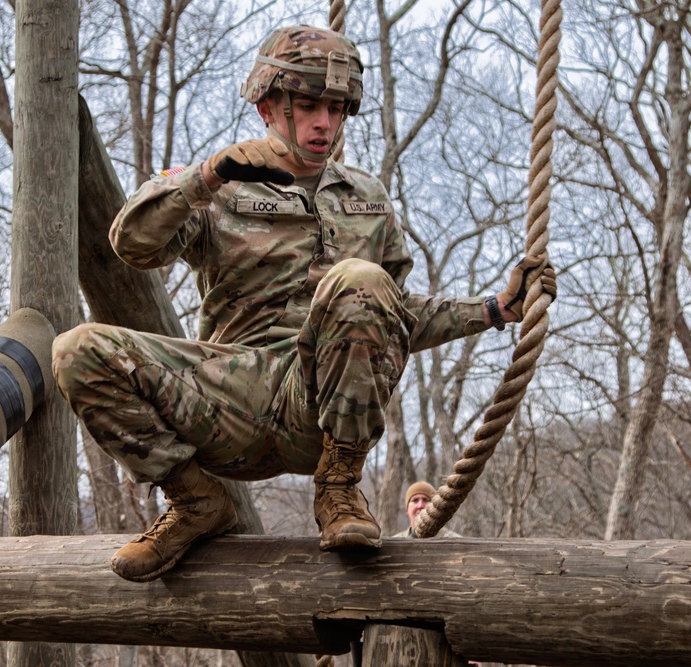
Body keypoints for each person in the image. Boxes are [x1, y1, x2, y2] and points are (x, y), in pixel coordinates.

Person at [52, 25, 557, 583]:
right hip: (231, 398)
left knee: (359, 279)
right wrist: (203, 178)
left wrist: (491, 310)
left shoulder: (367, 198)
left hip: (316, 409)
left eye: (337, 108)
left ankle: (339, 488)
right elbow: (131, 245)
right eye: (310, 105)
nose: (325, 123)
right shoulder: (220, 186)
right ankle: (194, 500)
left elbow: (393, 318)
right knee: (76, 349)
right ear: (269, 106)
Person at [393, 481, 461, 538]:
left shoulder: (454, 540)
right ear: (407, 509)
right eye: (415, 500)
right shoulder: (394, 543)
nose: (420, 505)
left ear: (435, 507)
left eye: (425, 500)